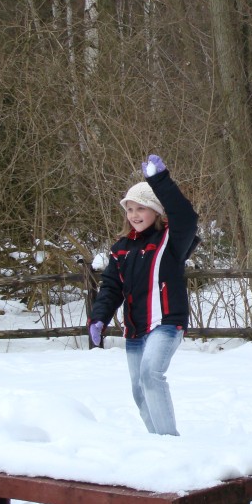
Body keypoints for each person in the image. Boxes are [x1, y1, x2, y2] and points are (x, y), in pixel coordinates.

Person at [89, 154, 199, 436]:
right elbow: (111, 287)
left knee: (151, 375)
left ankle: (170, 442)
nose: (134, 215)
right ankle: (157, 443)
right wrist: (99, 318)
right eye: (129, 209)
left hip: (166, 324)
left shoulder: (171, 241)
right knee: (139, 391)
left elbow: (186, 217)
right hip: (135, 330)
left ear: (157, 212)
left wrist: (159, 180)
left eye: (141, 208)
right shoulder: (121, 248)